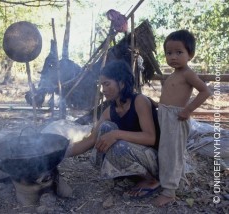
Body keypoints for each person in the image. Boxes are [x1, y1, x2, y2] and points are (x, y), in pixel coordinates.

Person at [66, 60, 161, 199]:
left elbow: (150, 137)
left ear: (121, 83)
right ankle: (132, 176)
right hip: (133, 158)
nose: (103, 90)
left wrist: (116, 134)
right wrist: (59, 153)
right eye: (101, 85)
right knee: (105, 128)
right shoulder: (110, 111)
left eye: (107, 84)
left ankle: (151, 180)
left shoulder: (139, 101)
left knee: (118, 145)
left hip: (154, 160)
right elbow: (91, 140)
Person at [152, 30, 211, 207]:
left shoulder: (187, 73)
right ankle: (172, 180)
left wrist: (188, 110)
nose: (173, 57)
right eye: (169, 53)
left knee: (172, 153)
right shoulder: (172, 75)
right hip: (165, 115)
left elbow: (206, 91)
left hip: (176, 118)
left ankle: (169, 191)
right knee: (165, 150)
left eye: (179, 52)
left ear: (190, 54)